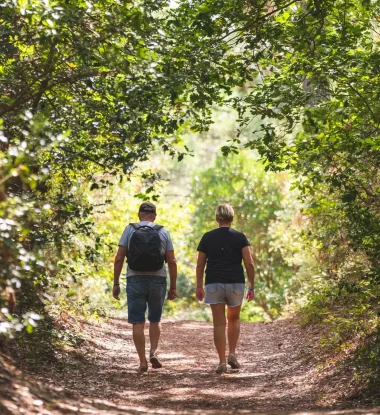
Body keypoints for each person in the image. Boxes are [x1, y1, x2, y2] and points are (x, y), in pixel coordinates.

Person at [113, 202, 178, 372]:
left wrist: (116, 283)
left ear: (139, 215)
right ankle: (153, 351)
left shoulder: (130, 230)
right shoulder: (163, 231)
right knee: (155, 319)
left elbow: (119, 258)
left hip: (135, 279)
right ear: (154, 216)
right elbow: (171, 261)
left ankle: (142, 361)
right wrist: (173, 287)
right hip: (158, 279)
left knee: (137, 321)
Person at [196, 203, 255, 374]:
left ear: (217, 219)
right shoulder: (240, 237)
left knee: (219, 323)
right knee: (234, 319)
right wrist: (251, 285)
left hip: (214, 282)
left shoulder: (207, 237)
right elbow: (249, 263)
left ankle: (222, 361)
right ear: (232, 218)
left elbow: (200, 265)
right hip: (236, 282)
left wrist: (199, 286)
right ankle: (232, 354)